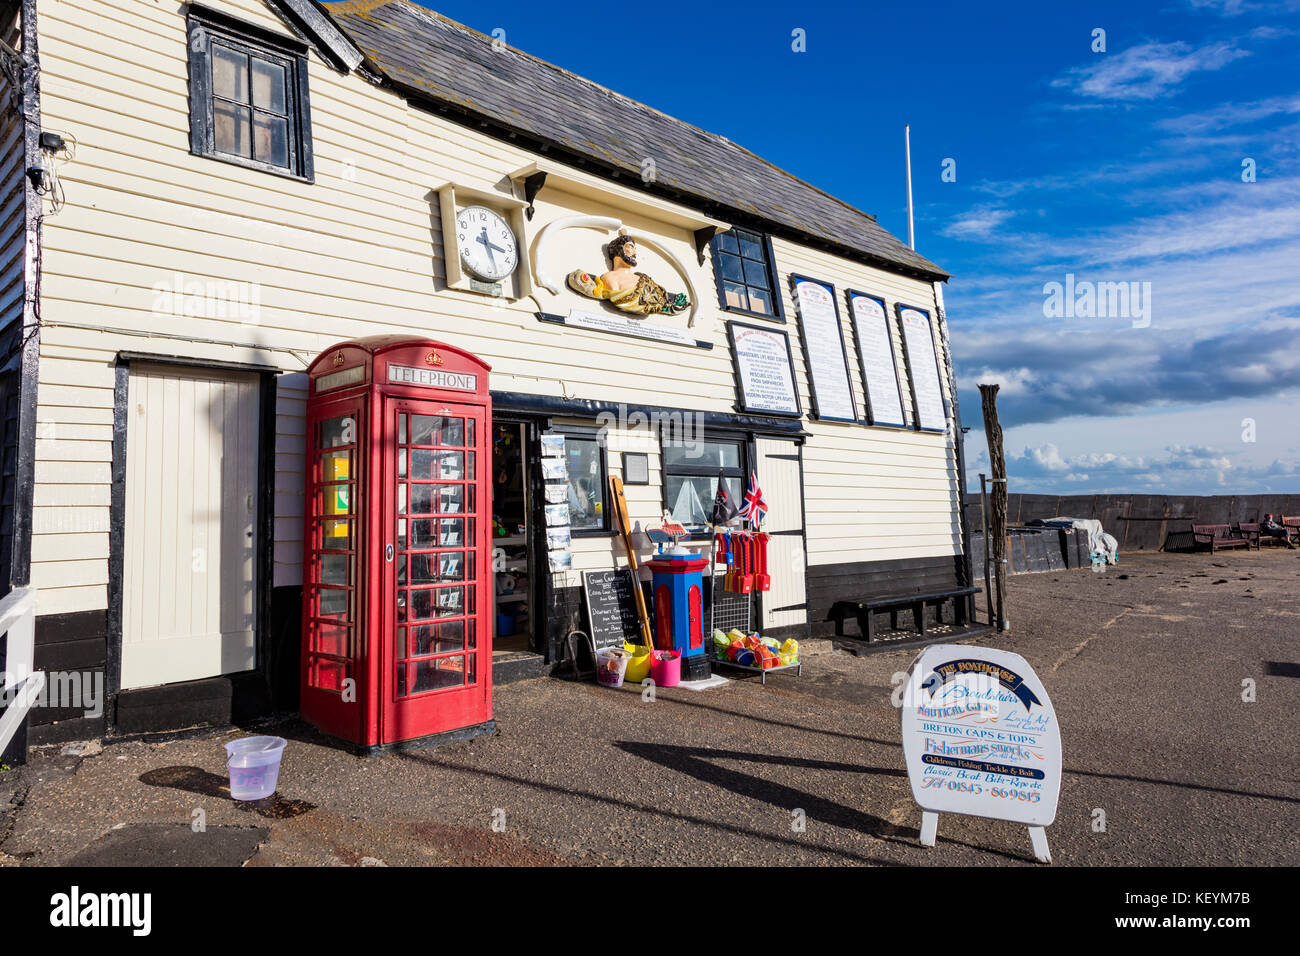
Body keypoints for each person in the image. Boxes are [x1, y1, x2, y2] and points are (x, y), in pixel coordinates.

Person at [567, 234, 689, 316]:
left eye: (635, 248)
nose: (635, 253)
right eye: (630, 247)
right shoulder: (609, 279)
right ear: (619, 250)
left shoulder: (643, 278)